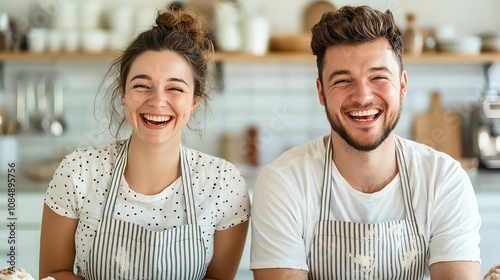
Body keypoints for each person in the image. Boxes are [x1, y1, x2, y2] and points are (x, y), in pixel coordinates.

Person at [250, 5, 481, 280]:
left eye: (379, 77)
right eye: (343, 80)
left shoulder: (444, 180)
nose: (362, 96)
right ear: (321, 93)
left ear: (403, 86)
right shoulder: (284, 183)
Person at [39, 10, 250, 280]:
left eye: (175, 88)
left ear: (194, 101)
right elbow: (53, 274)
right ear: (123, 94)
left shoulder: (224, 183)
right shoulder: (77, 172)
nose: (157, 101)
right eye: (142, 85)